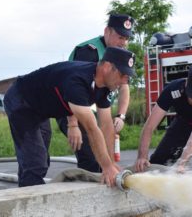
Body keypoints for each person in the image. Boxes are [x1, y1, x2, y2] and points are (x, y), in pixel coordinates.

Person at [4, 47, 135, 187]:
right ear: (108, 67)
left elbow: (106, 125)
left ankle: (26, 188)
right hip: (21, 101)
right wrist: (106, 167)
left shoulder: (104, 87)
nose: (124, 82)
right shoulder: (77, 80)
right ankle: (29, 204)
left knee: (35, 158)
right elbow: (92, 129)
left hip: (41, 109)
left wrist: (111, 163)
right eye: (123, 75)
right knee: (35, 162)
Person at [56, 14, 135, 172]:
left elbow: (124, 87)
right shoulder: (89, 52)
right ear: (107, 31)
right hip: (70, 107)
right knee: (92, 159)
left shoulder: (120, 56)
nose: (124, 43)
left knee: (105, 157)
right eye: (120, 37)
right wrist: (73, 124)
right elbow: (72, 86)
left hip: (91, 108)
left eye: (127, 38)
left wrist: (121, 115)